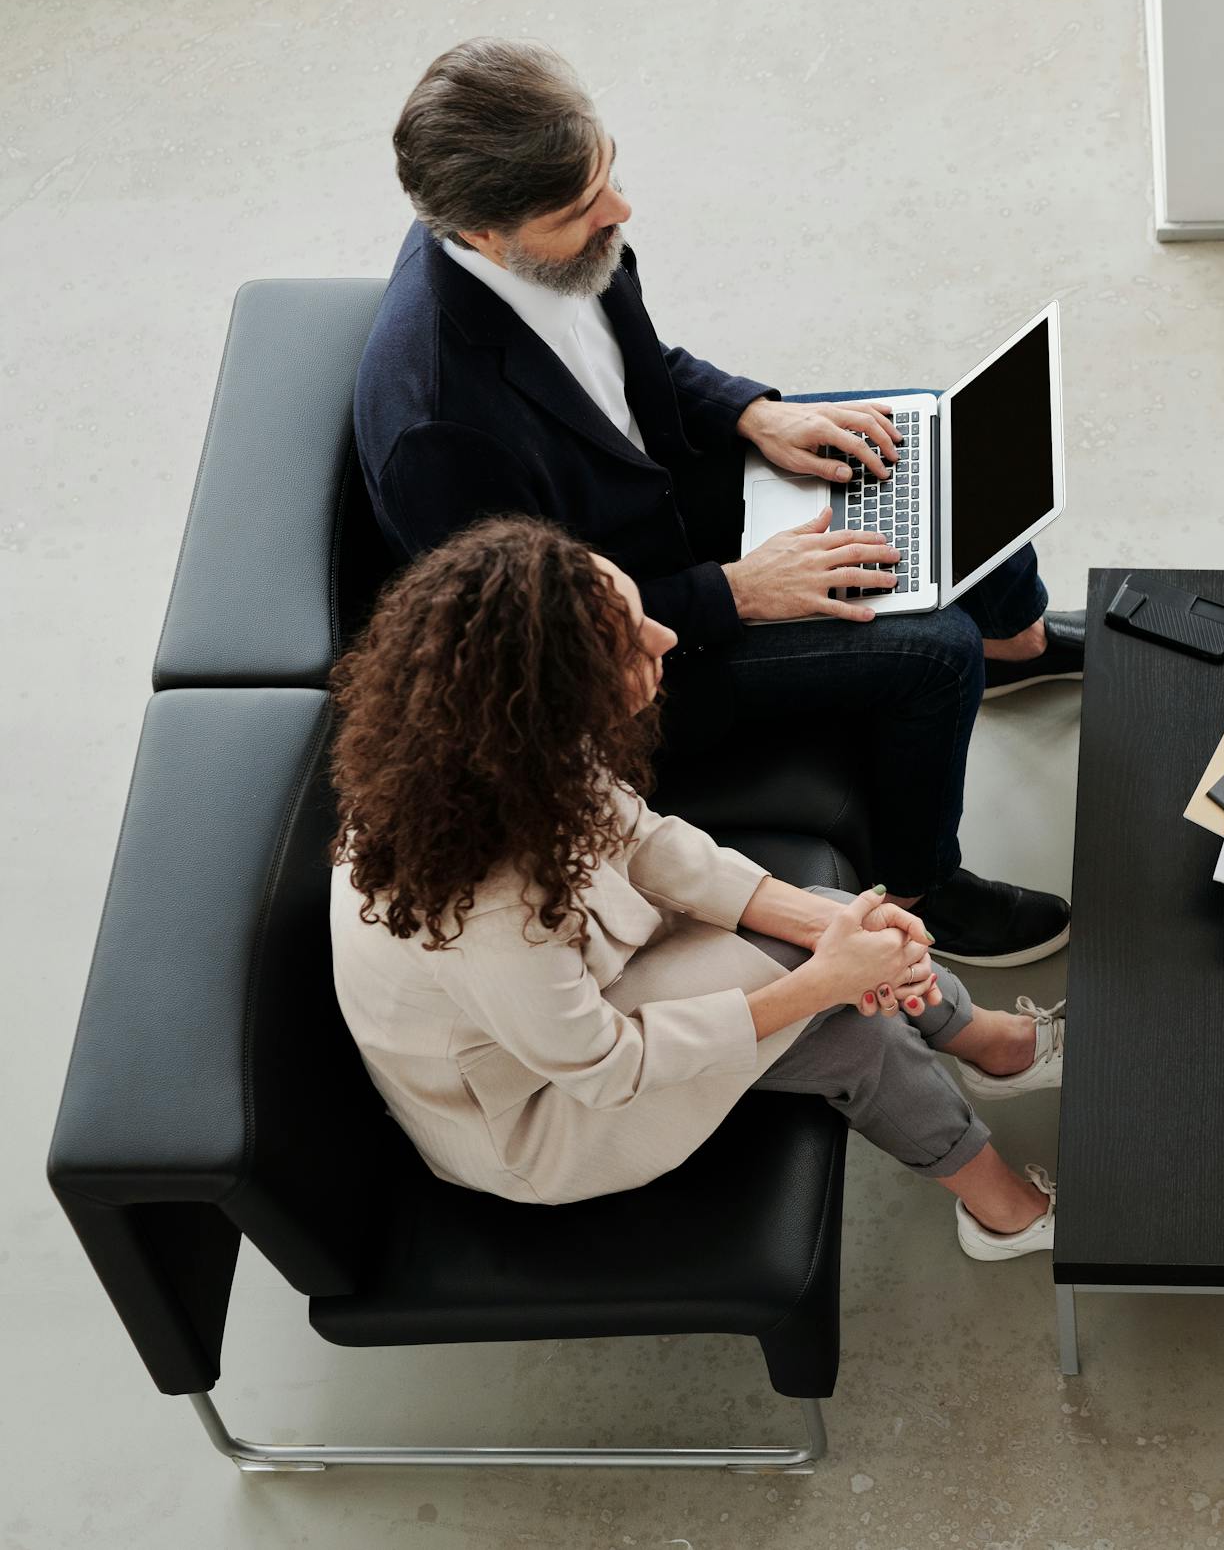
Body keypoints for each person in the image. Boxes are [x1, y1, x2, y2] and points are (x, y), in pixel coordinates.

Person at [354, 37, 1075, 965]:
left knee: (923, 440)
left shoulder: (545, 241)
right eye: (584, 207)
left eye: (609, 170)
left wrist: (754, 413)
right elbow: (543, 649)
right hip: (640, 649)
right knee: (934, 655)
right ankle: (922, 889)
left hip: (650, 503)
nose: (620, 209)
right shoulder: (440, 432)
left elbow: (629, 371)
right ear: (486, 233)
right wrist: (739, 590)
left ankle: (1013, 639)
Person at [328, 516, 1063, 1258]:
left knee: (846, 933)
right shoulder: (484, 908)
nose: (666, 639)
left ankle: (992, 1049)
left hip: (584, 998)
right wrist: (826, 978)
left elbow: (643, 839)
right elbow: (607, 1065)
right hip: (541, 1109)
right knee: (856, 1035)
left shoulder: (505, 752)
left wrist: (823, 926)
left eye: (641, 612)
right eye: (631, 641)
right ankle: (1004, 1201)